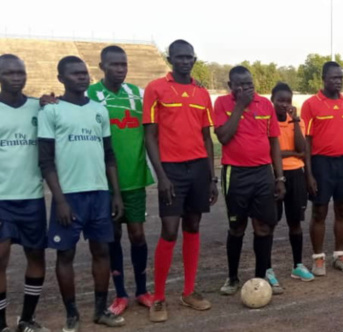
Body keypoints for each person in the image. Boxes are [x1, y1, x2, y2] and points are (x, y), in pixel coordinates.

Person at [39, 56, 125, 330]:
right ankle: (72, 315)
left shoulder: (99, 110)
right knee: (65, 255)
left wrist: (116, 194)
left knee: (101, 251)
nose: (82, 77)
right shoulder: (50, 111)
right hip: (70, 197)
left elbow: (109, 155)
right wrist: (60, 199)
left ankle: (100, 311)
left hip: (99, 194)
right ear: (61, 78)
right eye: (75, 74)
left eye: (85, 73)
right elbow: (46, 160)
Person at [142, 40, 218, 322]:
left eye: (189, 57)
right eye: (179, 57)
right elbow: (149, 135)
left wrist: (211, 178)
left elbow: (206, 137)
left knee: (193, 224)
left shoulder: (201, 92)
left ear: (194, 60)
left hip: (198, 168)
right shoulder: (156, 88)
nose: (185, 61)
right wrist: (160, 176)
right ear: (170, 58)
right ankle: (159, 297)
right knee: (170, 229)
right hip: (171, 169)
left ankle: (188, 292)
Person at [85, 45, 155, 316]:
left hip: (134, 178)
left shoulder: (137, 95)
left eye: (124, 64)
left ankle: (141, 290)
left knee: (137, 234)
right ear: (101, 66)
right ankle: (120, 294)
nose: (120, 69)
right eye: (114, 65)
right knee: (112, 236)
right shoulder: (89, 95)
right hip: (103, 182)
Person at [214, 66, 286, 295]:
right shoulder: (222, 104)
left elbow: (274, 141)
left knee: (264, 227)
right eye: (240, 85)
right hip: (235, 173)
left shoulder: (265, 105)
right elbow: (224, 137)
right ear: (230, 86)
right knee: (237, 227)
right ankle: (232, 277)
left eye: (250, 84)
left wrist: (280, 176)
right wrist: (240, 106)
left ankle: (259, 278)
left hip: (263, 173)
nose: (246, 89)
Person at [0, 54, 49, 332]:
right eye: (9, 73)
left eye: (21, 72)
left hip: (32, 197)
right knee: (1, 258)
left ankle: (27, 320)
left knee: (36, 256)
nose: (17, 77)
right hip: (1, 199)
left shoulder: (38, 107)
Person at [301, 61, 343, 275]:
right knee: (319, 211)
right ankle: (318, 259)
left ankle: (340, 255)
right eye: (333, 77)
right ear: (323, 79)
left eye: (341, 78)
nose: (338, 81)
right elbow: (306, 141)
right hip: (321, 164)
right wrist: (308, 173)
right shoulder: (311, 104)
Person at [271, 82, 315, 281]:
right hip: (274, 175)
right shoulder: (268, 121)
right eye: (280, 100)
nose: (284, 104)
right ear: (272, 100)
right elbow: (272, 153)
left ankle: (297, 265)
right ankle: (267, 268)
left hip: (296, 174)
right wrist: (293, 153)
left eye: (287, 101)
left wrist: (295, 120)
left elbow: (302, 148)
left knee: (295, 222)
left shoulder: (296, 120)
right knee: (270, 223)